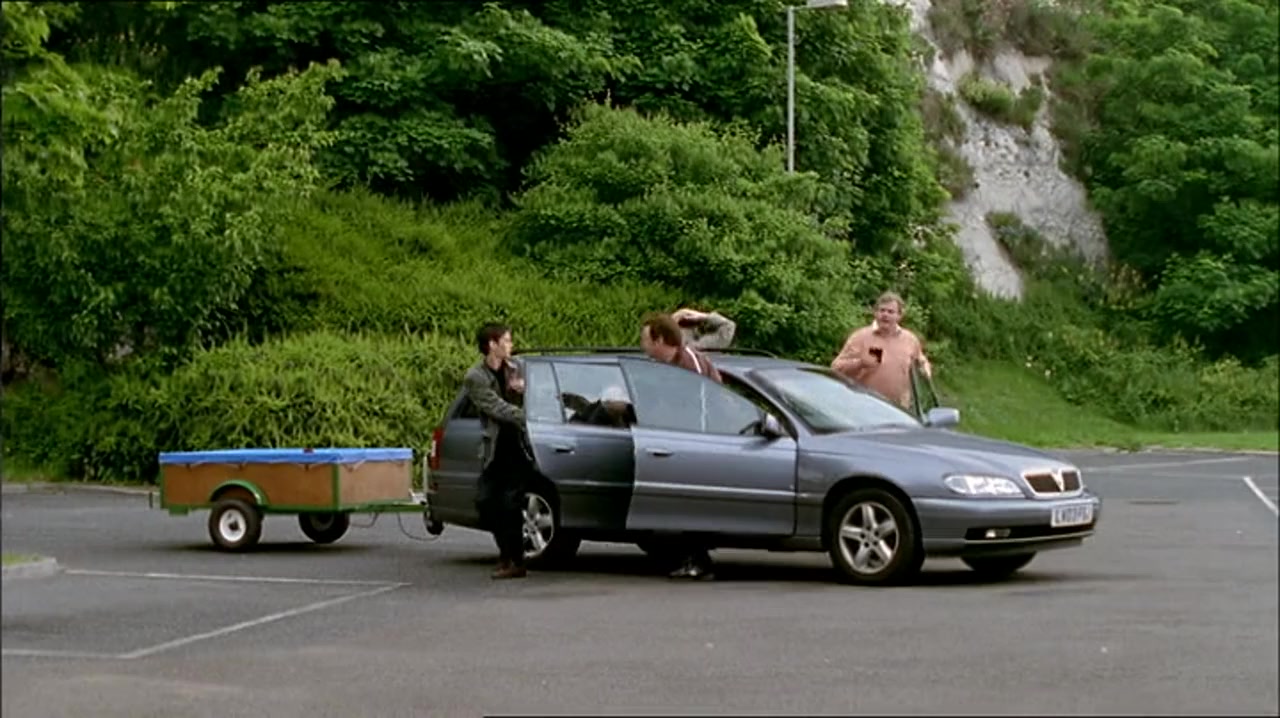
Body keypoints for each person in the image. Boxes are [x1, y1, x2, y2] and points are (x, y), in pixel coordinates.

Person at [640, 312, 722, 580]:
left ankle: (699, 561)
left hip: (696, 442)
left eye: (645, 340)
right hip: (676, 442)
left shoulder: (689, 364)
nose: (642, 346)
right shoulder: (663, 365)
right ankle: (681, 557)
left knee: (692, 503)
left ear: (659, 340)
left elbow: (700, 405)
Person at [463, 322, 533, 580]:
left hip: (518, 446)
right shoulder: (476, 377)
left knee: (511, 504)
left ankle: (514, 560)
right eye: (506, 340)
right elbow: (495, 408)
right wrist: (529, 415)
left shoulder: (515, 369)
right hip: (495, 448)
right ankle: (508, 553)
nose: (510, 345)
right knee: (485, 502)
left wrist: (524, 393)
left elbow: (534, 397)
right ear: (492, 345)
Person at [830, 291, 933, 412]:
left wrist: (925, 368)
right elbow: (835, 368)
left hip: (898, 410)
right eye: (882, 310)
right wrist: (860, 363)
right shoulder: (860, 337)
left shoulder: (909, 339)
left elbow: (921, 361)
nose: (885, 315)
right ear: (875, 313)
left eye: (890, 312)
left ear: (899, 316)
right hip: (862, 407)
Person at [671, 307, 737, 350]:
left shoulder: (715, 341)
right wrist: (681, 314)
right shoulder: (686, 331)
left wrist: (702, 316)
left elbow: (730, 325)